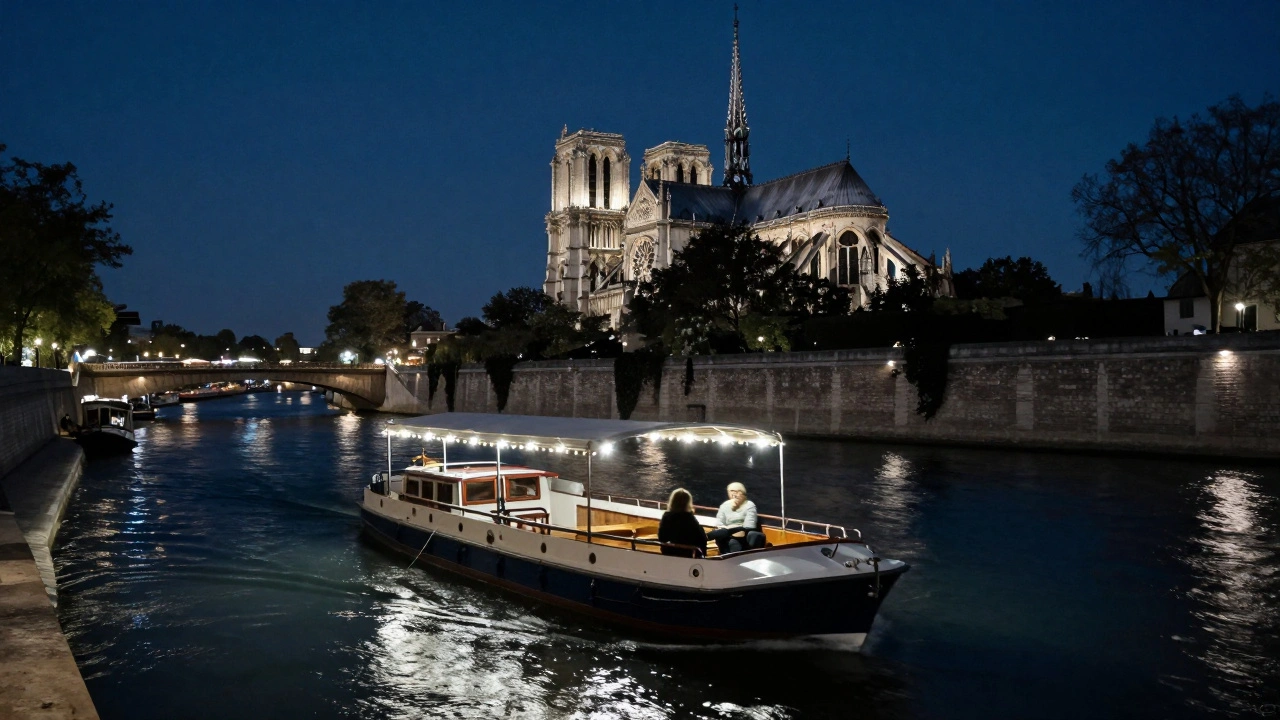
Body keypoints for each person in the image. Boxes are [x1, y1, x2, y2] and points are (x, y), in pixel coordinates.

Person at [707, 482, 761, 554]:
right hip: (726, 532)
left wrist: (732, 528)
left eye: (737, 491)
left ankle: (707, 537)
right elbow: (719, 523)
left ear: (743, 493)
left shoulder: (749, 505)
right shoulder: (724, 505)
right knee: (721, 535)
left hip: (743, 533)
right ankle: (705, 538)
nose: (734, 494)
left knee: (732, 540)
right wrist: (727, 529)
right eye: (731, 491)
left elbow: (749, 525)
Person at [658, 488, 707, 558]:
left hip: (669, 553)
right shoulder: (690, 518)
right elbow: (701, 539)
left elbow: (661, 537)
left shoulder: (666, 517)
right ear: (688, 503)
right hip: (686, 554)